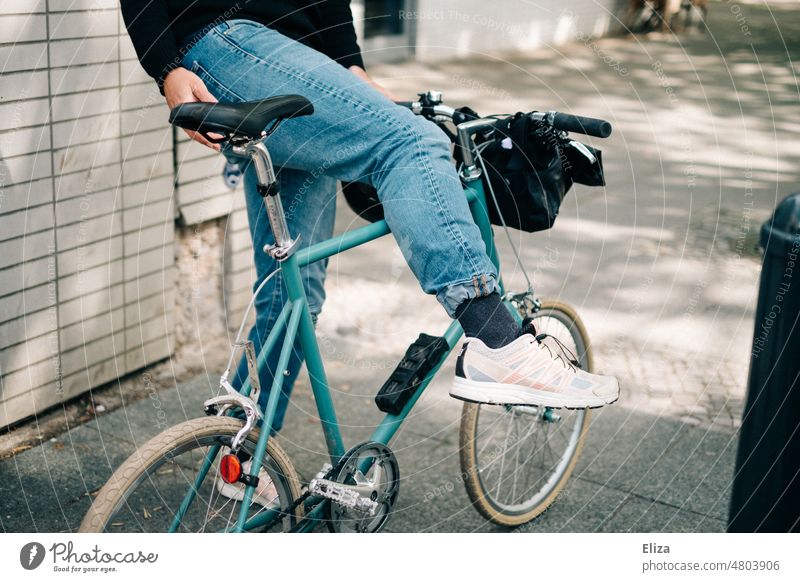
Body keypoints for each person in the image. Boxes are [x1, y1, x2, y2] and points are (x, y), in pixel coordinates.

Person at [121, 0, 619, 505]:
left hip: (292, 61)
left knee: (295, 295)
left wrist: (350, 68)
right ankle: (497, 339)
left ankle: (238, 452)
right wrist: (163, 64)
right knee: (412, 144)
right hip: (232, 42)